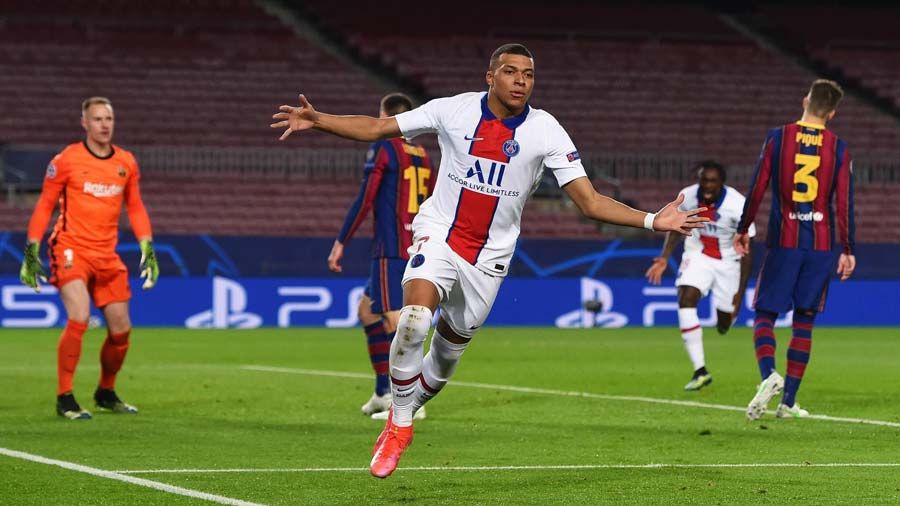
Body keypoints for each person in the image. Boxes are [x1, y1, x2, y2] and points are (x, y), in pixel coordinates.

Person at [272, 43, 708, 478]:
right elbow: (378, 127)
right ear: (490, 76)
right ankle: (399, 425)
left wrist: (653, 220)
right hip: (440, 235)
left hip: (490, 259)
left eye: (528, 74)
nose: (521, 81)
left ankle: (406, 407)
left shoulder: (546, 130)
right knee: (414, 321)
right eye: (511, 71)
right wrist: (319, 119)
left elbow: (590, 201)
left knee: (443, 361)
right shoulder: (453, 110)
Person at [19, 97, 159, 420]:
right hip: (70, 248)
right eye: (97, 119)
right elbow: (45, 205)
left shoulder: (125, 162)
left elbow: (135, 206)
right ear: (85, 123)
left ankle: (105, 392)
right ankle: (65, 397)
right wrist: (31, 250)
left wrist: (147, 247)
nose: (104, 124)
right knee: (79, 315)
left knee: (121, 330)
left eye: (108, 118)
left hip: (106, 253)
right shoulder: (66, 160)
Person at [734, 79, 856, 420]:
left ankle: (768, 374)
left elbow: (757, 187)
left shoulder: (779, 138)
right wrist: (848, 248)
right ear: (832, 114)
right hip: (820, 244)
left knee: (765, 315)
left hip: (784, 241)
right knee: (805, 321)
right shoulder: (839, 148)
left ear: (805, 101)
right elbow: (844, 203)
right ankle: (788, 401)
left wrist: (743, 229)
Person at [328, 93, 435, 419]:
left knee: (394, 319)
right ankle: (381, 392)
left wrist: (341, 240)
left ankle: (409, 402)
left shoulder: (385, 147)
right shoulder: (423, 154)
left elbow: (366, 197)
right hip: (415, 242)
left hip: (391, 247)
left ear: (387, 117)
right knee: (367, 311)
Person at [645, 161, 754, 391]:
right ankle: (700, 370)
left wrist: (740, 294)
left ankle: (725, 320)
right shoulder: (687, 196)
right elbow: (676, 227)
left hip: (729, 263)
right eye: (703, 180)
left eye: (712, 181)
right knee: (686, 297)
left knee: (724, 323)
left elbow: (747, 253)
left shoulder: (738, 205)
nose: (707, 185)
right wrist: (664, 257)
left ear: (722, 183)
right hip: (698, 255)